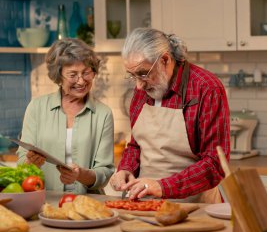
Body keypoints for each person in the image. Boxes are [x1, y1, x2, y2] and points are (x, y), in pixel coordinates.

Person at [109, 28, 230, 203]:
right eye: (132, 76)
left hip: (195, 206)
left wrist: (163, 187)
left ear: (165, 60)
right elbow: (136, 145)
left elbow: (215, 164)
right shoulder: (142, 91)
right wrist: (126, 169)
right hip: (144, 202)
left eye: (143, 73)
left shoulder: (206, 88)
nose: (139, 86)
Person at [17, 38, 115, 194]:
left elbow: (105, 172)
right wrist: (30, 162)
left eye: (86, 72)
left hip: (88, 203)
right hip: (45, 199)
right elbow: (22, 162)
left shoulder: (103, 114)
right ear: (58, 76)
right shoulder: (36, 107)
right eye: (73, 75)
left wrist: (80, 175)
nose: (81, 81)